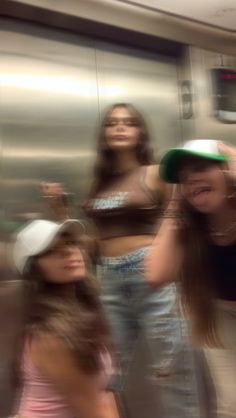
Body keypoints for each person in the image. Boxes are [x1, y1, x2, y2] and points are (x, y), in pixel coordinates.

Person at [42, 103, 202, 418]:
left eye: (128, 122)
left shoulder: (156, 173)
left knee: (171, 373)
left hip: (150, 276)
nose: (119, 127)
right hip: (108, 280)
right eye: (112, 123)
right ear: (104, 133)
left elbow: (180, 222)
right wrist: (62, 214)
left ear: (140, 132)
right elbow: (93, 245)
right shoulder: (99, 183)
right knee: (106, 373)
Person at [146, 139, 236, 418]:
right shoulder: (192, 229)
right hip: (221, 317)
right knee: (231, 405)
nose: (191, 179)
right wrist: (175, 202)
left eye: (201, 167)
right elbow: (156, 274)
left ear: (227, 172)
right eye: (183, 178)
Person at [11, 218, 118, 418]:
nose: (69, 251)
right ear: (35, 269)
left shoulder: (85, 312)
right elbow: (93, 412)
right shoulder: (51, 336)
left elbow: (103, 395)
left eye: (71, 243)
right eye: (51, 250)